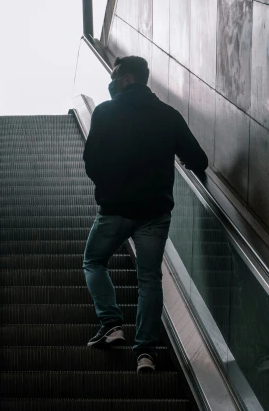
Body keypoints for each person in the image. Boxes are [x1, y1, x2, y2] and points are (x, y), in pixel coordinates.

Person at [82, 55, 208, 373]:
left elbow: (91, 162)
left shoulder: (105, 112)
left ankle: (111, 324)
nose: (110, 81)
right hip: (155, 211)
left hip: (116, 209)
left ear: (127, 79)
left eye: (114, 75)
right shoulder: (168, 115)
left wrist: (110, 187)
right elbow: (199, 159)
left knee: (94, 261)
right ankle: (146, 352)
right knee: (149, 278)